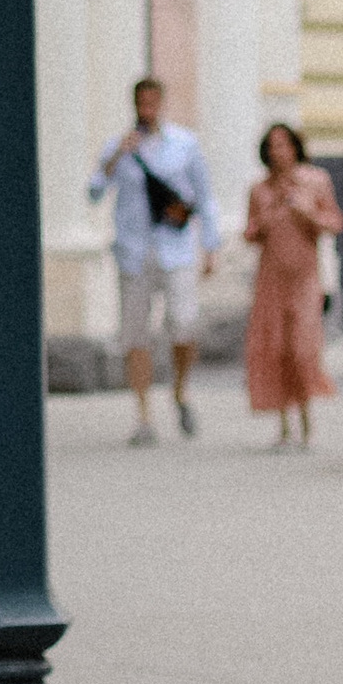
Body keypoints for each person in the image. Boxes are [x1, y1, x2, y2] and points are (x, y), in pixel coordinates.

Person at [89, 73, 217, 445]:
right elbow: (95, 191)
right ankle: (143, 415)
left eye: (152, 103)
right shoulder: (119, 146)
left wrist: (209, 246)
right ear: (134, 105)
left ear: (160, 103)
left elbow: (204, 198)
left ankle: (179, 389)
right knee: (136, 333)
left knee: (184, 324)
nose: (146, 110)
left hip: (175, 248)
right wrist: (116, 155)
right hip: (134, 251)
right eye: (140, 104)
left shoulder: (184, 144)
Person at [242, 121, 343, 447]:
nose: (278, 152)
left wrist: (306, 212)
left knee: (302, 347)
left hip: (304, 278)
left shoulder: (315, 181)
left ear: (295, 147)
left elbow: (334, 222)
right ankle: (285, 425)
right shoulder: (260, 190)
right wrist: (268, 216)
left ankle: (307, 422)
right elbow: (250, 233)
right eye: (272, 146)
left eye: (284, 145)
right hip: (271, 278)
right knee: (277, 348)